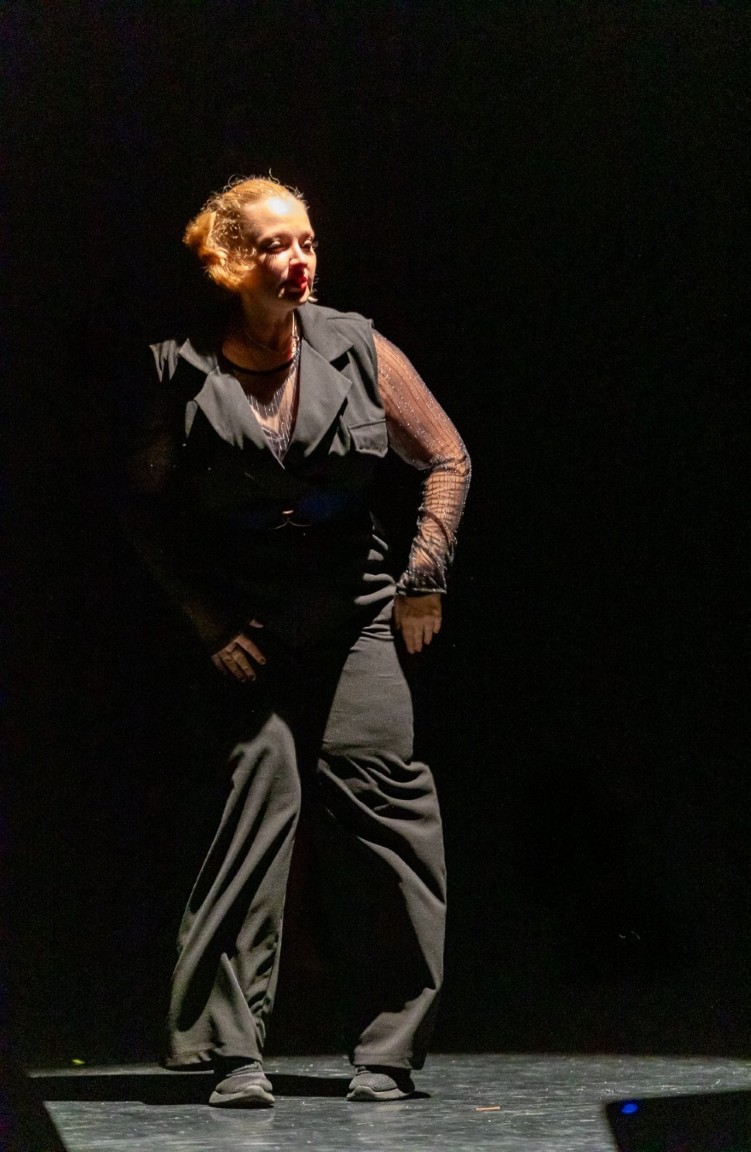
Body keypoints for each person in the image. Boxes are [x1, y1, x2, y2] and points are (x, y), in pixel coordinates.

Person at [125, 176, 470, 1107]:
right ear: (231, 262)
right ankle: (232, 1053)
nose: (299, 259)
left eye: (307, 241)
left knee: (390, 810)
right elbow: (143, 510)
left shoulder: (355, 346)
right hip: (253, 626)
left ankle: (390, 1050)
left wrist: (423, 578)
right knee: (254, 811)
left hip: (354, 613)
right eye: (275, 245)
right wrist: (209, 621)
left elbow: (446, 456)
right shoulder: (176, 369)